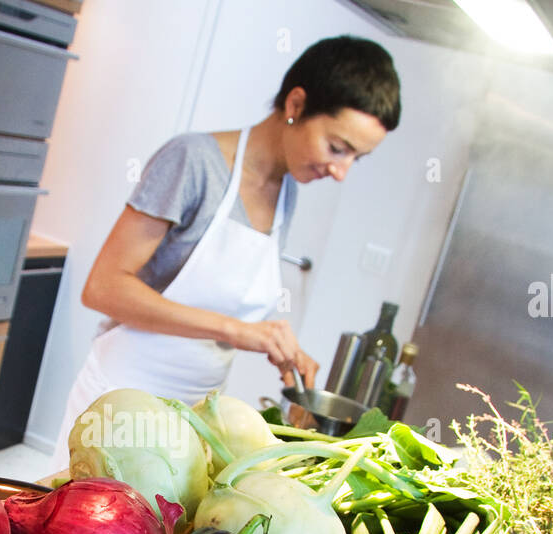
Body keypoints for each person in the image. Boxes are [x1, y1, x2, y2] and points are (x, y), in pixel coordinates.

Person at [50, 35, 401, 471]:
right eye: (337, 148)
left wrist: (279, 347)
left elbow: (220, 306)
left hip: (193, 420)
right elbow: (102, 288)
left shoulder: (287, 191)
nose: (341, 172)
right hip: (119, 405)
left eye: (356, 158)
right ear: (295, 105)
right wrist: (238, 331)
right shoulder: (193, 160)